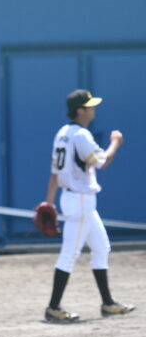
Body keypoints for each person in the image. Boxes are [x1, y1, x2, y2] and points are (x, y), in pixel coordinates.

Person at [43, 90, 134, 323]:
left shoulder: (62, 133)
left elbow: (54, 172)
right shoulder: (81, 135)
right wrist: (115, 143)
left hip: (75, 199)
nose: (93, 110)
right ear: (80, 110)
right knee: (70, 254)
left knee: (102, 247)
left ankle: (108, 303)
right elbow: (102, 162)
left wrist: (49, 201)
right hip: (80, 200)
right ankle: (53, 307)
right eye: (89, 106)